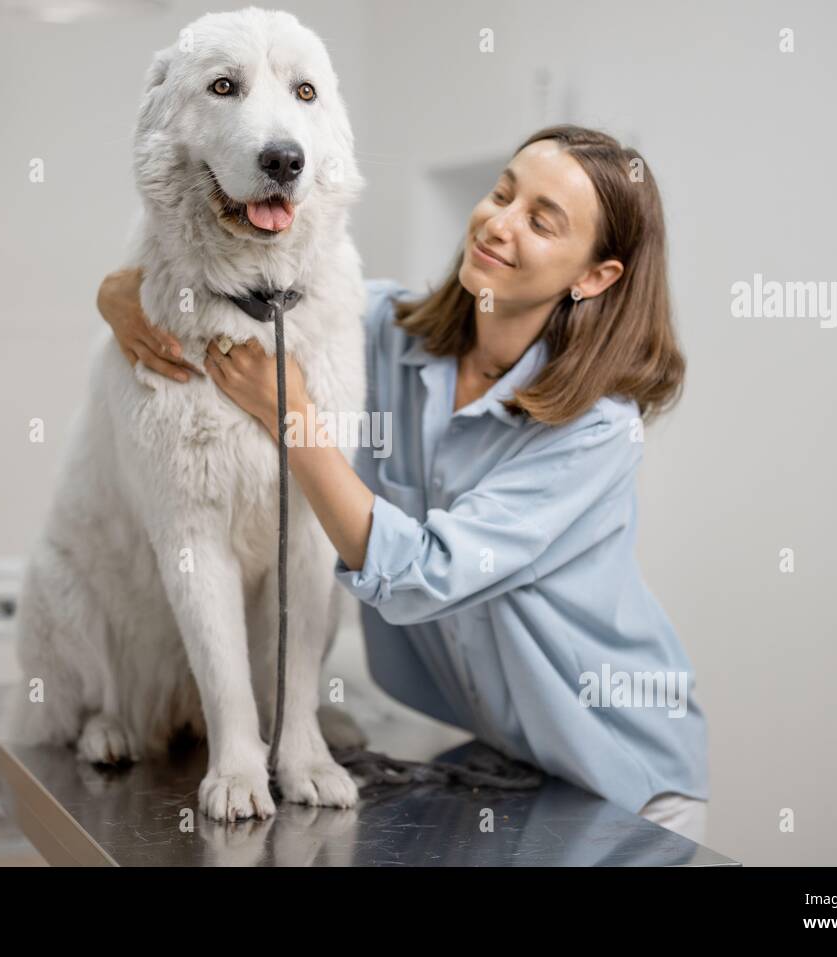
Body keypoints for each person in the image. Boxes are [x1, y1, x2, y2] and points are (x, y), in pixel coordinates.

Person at [98, 125, 710, 844]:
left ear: (595, 276)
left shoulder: (596, 432)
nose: (499, 222)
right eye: (503, 192)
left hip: (626, 779)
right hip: (514, 763)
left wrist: (292, 417)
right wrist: (120, 291)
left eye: (542, 221)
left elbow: (425, 572)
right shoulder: (381, 328)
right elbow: (236, 302)